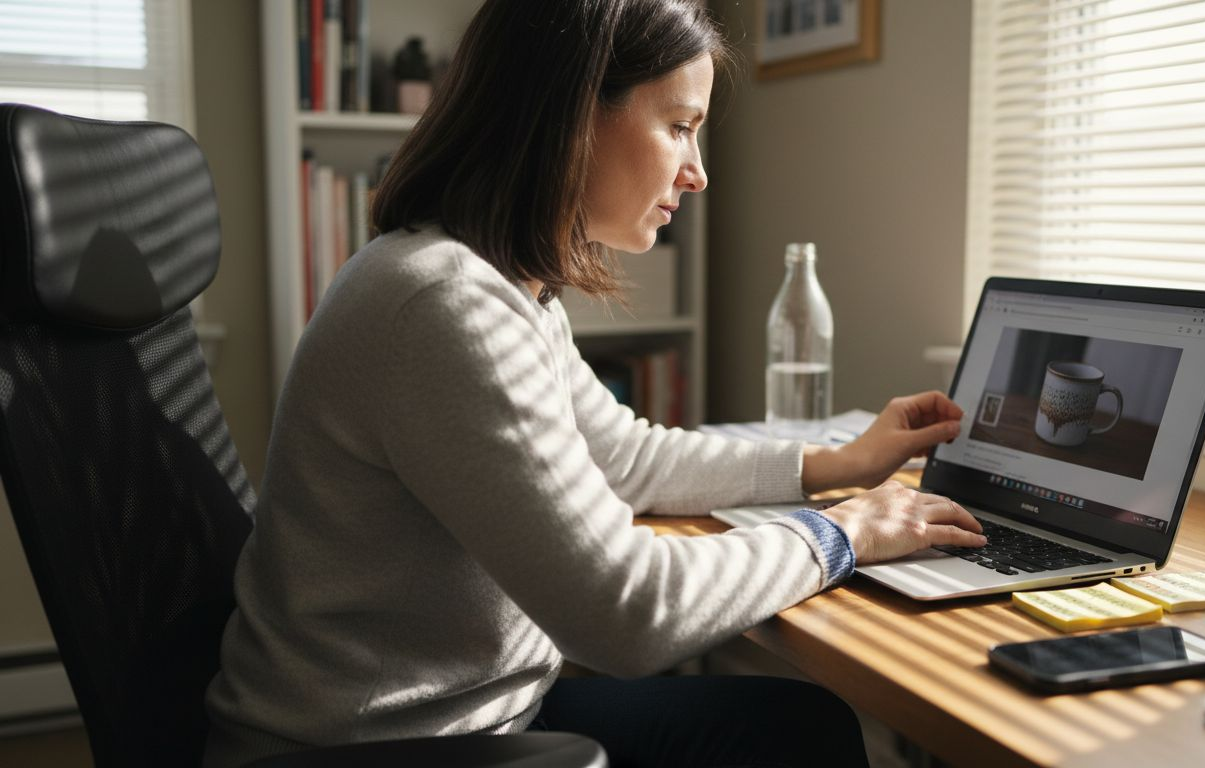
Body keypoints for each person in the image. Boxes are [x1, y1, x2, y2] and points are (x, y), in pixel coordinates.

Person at [203, 1, 986, 766]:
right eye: (678, 126)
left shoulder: (495, 284)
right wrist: (840, 534)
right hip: (377, 748)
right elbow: (629, 613)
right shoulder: (443, 302)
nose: (698, 173)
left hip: (471, 716)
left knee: (797, 727)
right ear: (573, 115)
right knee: (798, 737)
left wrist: (840, 464)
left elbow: (627, 458)